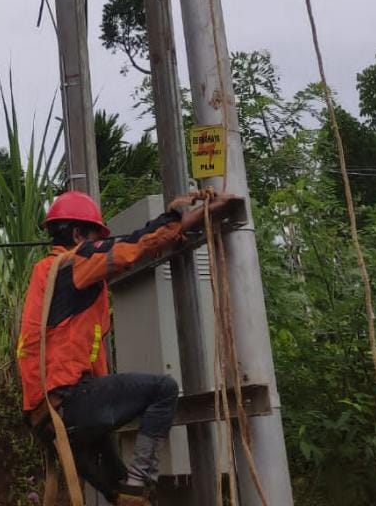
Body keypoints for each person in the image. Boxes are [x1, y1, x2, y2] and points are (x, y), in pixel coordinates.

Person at [17, 188, 237, 500]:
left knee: (126, 498)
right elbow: (130, 246)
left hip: (47, 419)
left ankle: (132, 488)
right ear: (78, 234)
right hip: (69, 406)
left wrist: (169, 238)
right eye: (94, 236)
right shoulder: (74, 263)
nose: (97, 244)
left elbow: (89, 355)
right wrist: (176, 219)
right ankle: (141, 478)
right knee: (163, 390)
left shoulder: (50, 276)